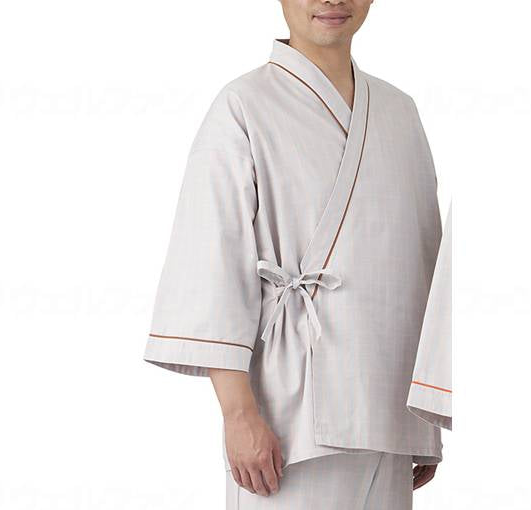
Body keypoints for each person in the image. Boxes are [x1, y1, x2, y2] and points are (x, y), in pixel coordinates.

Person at [143, 1, 449, 508]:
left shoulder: (400, 110)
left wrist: (426, 415)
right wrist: (238, 415)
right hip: (288, 417)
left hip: (390, 410)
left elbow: (424, 263)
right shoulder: (243, 103)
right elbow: (211, 259)